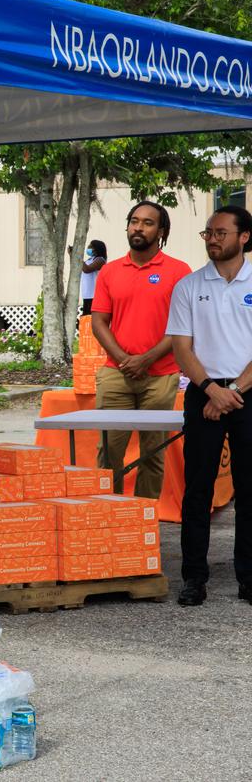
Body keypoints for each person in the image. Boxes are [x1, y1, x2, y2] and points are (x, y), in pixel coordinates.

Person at [166, 205, 252, 608]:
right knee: (197, 489)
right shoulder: (188, 286)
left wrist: (231, 391)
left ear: (244, 237)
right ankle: (193, 578)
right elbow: (182, 348)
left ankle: (248, 578)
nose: (213, 239)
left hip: (247, 391)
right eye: (208, 233)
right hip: (203, 392)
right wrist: (210, 390)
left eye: (220, 232)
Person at [90, 202, 191, 497]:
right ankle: (110, 519)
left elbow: (182, 326)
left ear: (161, 231)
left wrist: (146, 359)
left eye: (147, 223)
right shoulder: (109, 271)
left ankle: (143, 521)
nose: (138, 227)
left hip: (160, 376)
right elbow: (99, 322)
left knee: (152, 453)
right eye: (134, 221)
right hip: (115, 375)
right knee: (108, 454)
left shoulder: (179, 271)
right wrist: (124, 360)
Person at [80, 239, 108, 316]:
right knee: (86, 319)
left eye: (91, 246)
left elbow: (87, 269)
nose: (88, 248)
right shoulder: (89, 260)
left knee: (91, 318)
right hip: (86, 294)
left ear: (96, 249)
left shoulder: (100, 260)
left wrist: (78, 256)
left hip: (94, 295)